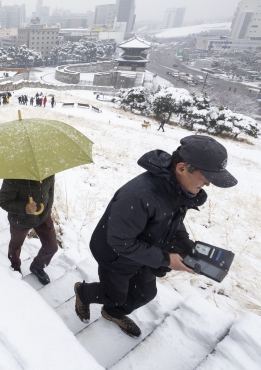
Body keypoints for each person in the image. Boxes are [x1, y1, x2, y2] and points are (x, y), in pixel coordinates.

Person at [73, 136, 237, 337]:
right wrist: (166, 259)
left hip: (145, 253)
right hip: (116, 256)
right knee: (114, 295)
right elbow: (120, 242)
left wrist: (184, 243)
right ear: (181, 168)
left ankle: (111, 312)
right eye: (206, 176)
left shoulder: (177, 189)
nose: (208, 183)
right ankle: (83, 292)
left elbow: (170, 220)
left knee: (145, 293)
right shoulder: (140, 196)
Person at [0, 175, 57, 285]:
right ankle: (14, 266)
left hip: (43, 216)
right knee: (15, 246)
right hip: (20, 219)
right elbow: (3, 201)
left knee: (51, 246)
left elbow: (50, 192)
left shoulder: (48, 168)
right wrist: (24, 208)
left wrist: (47, 209)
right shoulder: (14, 175)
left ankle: (37, 266)